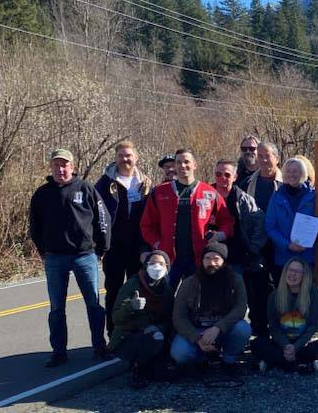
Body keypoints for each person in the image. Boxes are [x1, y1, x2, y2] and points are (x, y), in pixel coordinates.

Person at [29, 148, 111, 367]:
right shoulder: (42, 194)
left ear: (73, 167)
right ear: (51, 167)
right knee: (56, 308)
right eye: (56, 165)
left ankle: (99, 347)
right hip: (55, 259)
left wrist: (101, 249)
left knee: (94, 305)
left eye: (65, 165)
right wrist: (42, 250)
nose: (61, 169)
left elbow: (103, 219)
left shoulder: (86, 189)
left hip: (84, 256)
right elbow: (34, 226)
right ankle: (59, 352)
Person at [140, 148, 235, 288]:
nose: (182, 166)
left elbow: (227, 220)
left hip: (198, 259)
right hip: (168, 258)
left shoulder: (209, 192)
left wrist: (219, 235)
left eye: (186, 162)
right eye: (179, 162)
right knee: (164, 299)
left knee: (195, 300)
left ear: (195, 165)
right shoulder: (159, 192)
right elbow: (147, 224)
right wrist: (157, 244)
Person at [95, 141, 152, 336]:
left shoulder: (145, 182)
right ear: (116, 158)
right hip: (114, 247)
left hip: (138, 247)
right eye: (121, 155)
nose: (125, 159)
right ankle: (113, 332)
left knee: (138, 290)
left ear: (136, 158)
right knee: (114, 290)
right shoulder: (105, 183)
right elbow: (96, 214)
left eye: (129, 155)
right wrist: (100, 244)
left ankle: (135, 329)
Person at [170, 242, 251, 376]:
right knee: (179, 353)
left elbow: (240, 308)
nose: (211, 263)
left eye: (216, 259)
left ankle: (228, 360)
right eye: (207, 258)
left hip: (222, 330)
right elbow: (178, 317)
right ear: (201, 261)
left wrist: (218, 327)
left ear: (224, 262)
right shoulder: (189, 283)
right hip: (196, 330)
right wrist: (197, 338)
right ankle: (201, 360)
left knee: (243, 329)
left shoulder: (235, 280)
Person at [212, 159, 270, 338]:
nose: (222, 178)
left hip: (239, 258)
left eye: (227, 174)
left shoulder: (243, 199)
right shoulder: (205, 196)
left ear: (235, 177)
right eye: (218, 174)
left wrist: (253, 249)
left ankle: (254, 339)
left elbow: (260, 224)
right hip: (210, 259)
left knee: (245, 300)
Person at [108, 250, 174, 388]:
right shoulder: (132, 284)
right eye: (152, 263)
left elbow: (170, 318)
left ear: (167, 268)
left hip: (154, 333)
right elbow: (116, 319)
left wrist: (160, 327)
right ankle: (138, 369)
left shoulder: (166, 290)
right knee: (156, 338)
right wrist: (131, 306)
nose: (157, 267)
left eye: (161, 264)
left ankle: (152, 365)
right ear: (145, 266)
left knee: (165, 370)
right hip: (127, 337)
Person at [252, 258, 318, 374]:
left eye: (297, 272)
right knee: (257, 344)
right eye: (290, 270)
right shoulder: (275, 295)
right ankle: (301, 365)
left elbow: (315, 325)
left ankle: (280, 363)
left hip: (306, 342)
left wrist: (296, 347)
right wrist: (286, 345)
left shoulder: (313, 293)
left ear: (305, 276)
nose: (293, 274)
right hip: (282, 344)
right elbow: (274, 326)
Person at [265, 157, 317, 284]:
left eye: (295, 171)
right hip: (284, 257)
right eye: (288, 171)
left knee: (306, 296)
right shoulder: (277, 197)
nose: (291, 174)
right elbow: (270, 227)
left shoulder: (314, 196)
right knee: (284, 298)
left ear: (303, 174)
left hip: (307, 256)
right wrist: (287, 245)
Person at [239, 141, 283, 214]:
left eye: (267, 156)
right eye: (260, 156)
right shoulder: (246, 184)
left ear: (277, 159)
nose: (264, 160)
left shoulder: (286, 184)